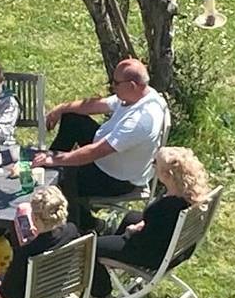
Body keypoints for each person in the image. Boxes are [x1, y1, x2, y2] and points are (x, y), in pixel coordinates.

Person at [31, 59, 168, 230]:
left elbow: (97, 151)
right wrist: (62, 108)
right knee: (73, 118)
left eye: (116, 83)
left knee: (63, 177)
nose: (112, 85)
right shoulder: (141, 95)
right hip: (112, 157)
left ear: (132, 85)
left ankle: (85, 225)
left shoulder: (141, 120)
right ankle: (45, 167)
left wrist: (57, 160)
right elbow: (97, 105)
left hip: (115, 178)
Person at [90, 147, 211, 298]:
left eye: (155, 164)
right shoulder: (188, 196)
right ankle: (111, 264)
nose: (152, 165)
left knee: (93, 245)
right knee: (131, 217)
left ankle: (101, 293)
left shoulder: (166, 208)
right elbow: (156, 226)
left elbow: (145, 236)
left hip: (154, 256)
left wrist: (132, 232)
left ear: (167, 174)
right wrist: (139, 226)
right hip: (177, 250)